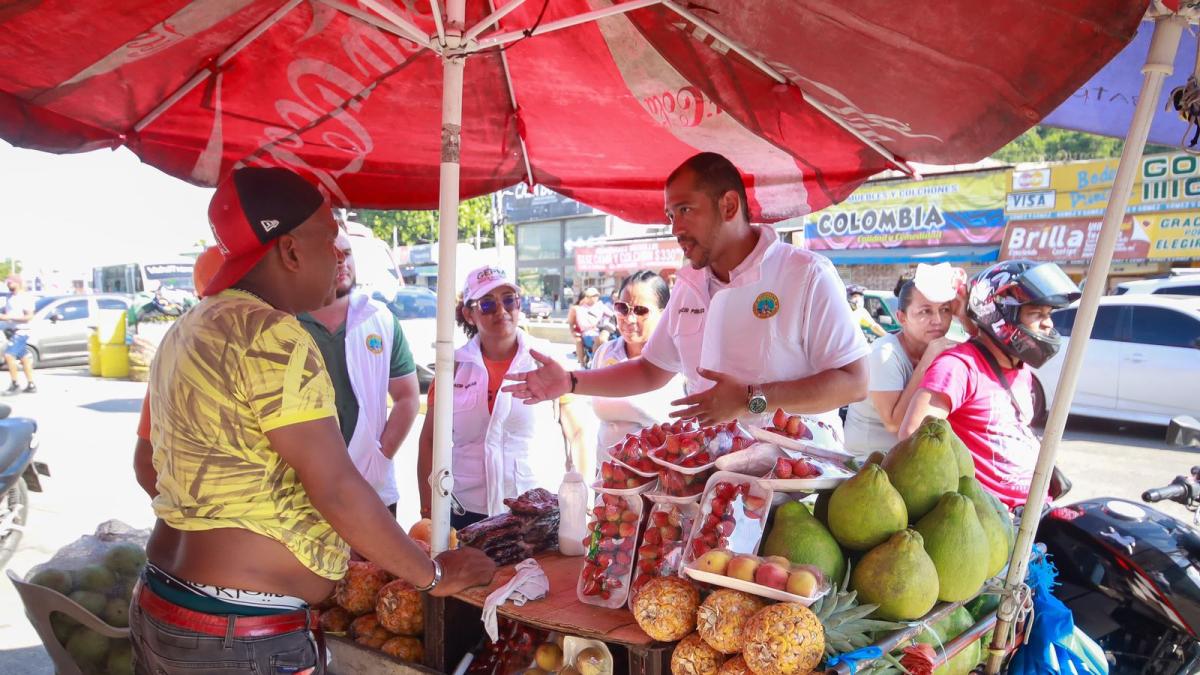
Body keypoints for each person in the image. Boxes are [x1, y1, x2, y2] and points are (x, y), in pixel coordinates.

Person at [133, 167, 493, 674]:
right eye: (330, 241)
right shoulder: (273, 335)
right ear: (290, 251)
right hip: (239, 631)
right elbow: (337, 489)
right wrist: (432, 576)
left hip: (165, 599)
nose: (339, 258)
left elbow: (149, 464)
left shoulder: (188, 328)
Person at [505, 152, 869, 433]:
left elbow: (854, 383)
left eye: (685, 210)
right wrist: (571, 381)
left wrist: (751, 399)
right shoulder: (689, 284)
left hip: (797, 481)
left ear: (728, 206)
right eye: (670, 215)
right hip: (714, 479)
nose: (675, 228)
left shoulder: (805, 274)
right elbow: (650, 370)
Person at [898, 260, 1080, 508]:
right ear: (1001, 316)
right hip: (993, 517)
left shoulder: (1019, 368)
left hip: (1038, 507)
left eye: (1048, 315)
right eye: (1036, 314)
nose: (1048, 324)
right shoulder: (958, 367)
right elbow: (912, 437)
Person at [417, 266, 578, 529]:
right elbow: (429, 441)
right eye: (487, 304)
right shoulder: (451, 367)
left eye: (509, 300)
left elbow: (577, 431)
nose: (501, 310)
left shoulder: (547, 360)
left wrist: (578, 498)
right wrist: (428, 511)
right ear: (469, 314)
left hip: (536, 510)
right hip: (466, 512)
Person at [297, 226, 420, 516]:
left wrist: (381, 457)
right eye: (331, 254)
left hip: (372, 488)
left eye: (347, 253)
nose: (342, 261)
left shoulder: (380, 319)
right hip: (302, 494)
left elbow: (407, 397)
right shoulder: (283, 323)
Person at [843, 270, 958, 456]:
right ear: (902, 317)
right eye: (925, 311)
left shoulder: (939, 350)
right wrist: (927, 361)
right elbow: (894, 424)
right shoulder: (885, 354)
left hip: (909, 458)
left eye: (945, 310)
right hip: (867, 463)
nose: (937, 320)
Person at [589, 270, 686, 456]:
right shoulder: (604, 353)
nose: (629, 319)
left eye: (640, 310)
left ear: (665, 313)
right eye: (622, 308)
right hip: (608, 469)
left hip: (661, 471)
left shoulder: (679, 359)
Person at [0, 274, 37, 395]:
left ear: (18, 283)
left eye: (10, 282)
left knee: (9, 355)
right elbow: (8, 311)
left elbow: (29, 317)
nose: (8, 284)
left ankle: (15, 384)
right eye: (7, 282)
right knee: (24, 357)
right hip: (12, 331)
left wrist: (8, 317)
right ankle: (31, 384)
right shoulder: (10, 297)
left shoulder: (25, 297)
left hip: (22, 331)